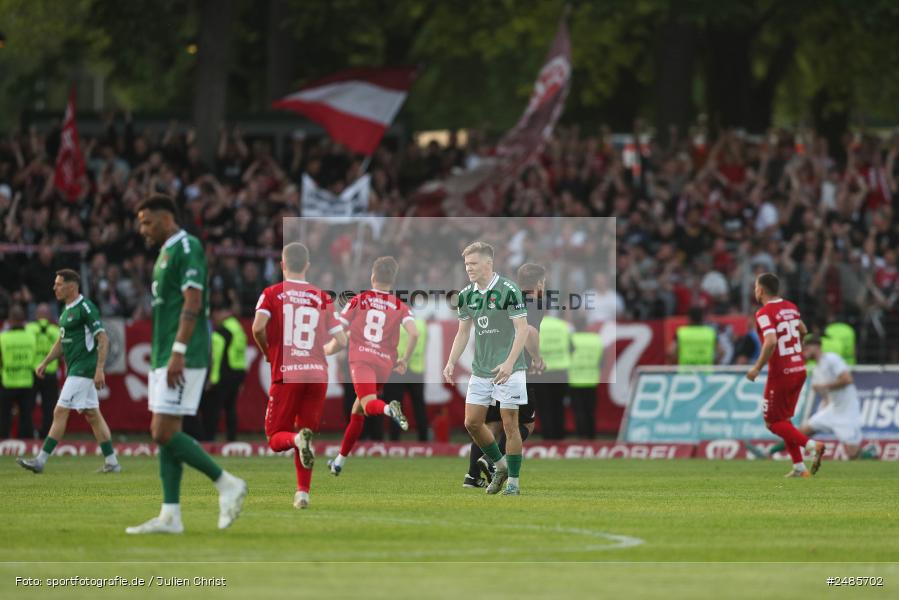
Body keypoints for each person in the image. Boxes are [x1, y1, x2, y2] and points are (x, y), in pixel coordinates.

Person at [127, 194, 247, 535]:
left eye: (147, 222)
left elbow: (193, 301)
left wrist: (178, 350)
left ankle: (227, 483)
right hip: (165, 352)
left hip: (184, 352)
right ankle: (170, 516)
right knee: (168, 432)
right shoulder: (166, 252)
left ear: (166, 218)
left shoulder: (187, 246)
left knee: (161, 431)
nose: (142, 229)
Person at [252, 242, 347, 509]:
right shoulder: (322, 297)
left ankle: (296, 441)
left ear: (282, 265)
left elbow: (258, 328)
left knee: (276, 438)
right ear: (307, 266)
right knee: (306, 433)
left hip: (288, 373)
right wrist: (323, 351)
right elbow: (341, 340)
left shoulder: (271, 293)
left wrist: (267, 353)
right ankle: (302, 493)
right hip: (317, 375)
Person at [444, 242, 529, 496]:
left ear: (488, 263)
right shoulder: (466, 295)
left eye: (473, 263)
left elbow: (522, 329)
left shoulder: (508, 289)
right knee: (472, 423)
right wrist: (450, 361)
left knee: (510, 425)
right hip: (481, 370)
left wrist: (509, 362)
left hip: (510, 368)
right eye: (466, 264)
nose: (468, 268)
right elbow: (463, 332)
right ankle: (500, 466)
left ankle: (513, 483)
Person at [17, 270, 120, 473]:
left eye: (59, 284)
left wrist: (99, 369)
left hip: (83, 369)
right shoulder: (66, 310)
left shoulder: (85, 308)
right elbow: (61, 343)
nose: (54, 288)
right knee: (93, 415)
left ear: (71, 286)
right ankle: (112, 462)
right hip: (75, 368)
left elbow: (103, 338)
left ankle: (40, 461)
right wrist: (45, 361)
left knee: (60, 411)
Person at [328, 256, 415, 476]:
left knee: (368, 405)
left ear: (372, 276)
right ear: (392, 280)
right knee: (357, 411)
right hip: (384, 364)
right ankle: (339, 462)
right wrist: (405, 360)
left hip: (362, 359)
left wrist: (326, 350)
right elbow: (414, 333)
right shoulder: (400, 305)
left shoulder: (359, 300)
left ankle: (389, 409)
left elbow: (340, 334)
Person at [465, 262, 545, 488]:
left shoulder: (504, 296)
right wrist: (537, 358)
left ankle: (472, 475)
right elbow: (530, 331)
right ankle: (491, 460)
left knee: (490, 423)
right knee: (525, 423)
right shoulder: (533, 302)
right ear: (540, 283)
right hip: (516, 368)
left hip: (491, 367)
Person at [746, 272, 825, 478]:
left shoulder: (763, 313)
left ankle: (812, 446)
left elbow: (771, 341)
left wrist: (756, 368)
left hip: (781, 373)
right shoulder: (791, 307)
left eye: (755, 287)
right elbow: (803, 330)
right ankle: (799, 467)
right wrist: (796, 348)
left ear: (760, 290)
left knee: (772, 422)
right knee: (785, 419)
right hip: (799, 369)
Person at [800, 334, 874, 459]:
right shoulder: (816, 369)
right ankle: (770, 452)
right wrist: (825, 402)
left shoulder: (831, 359)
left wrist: (823, 386)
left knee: (852, 454)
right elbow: (826, 395)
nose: (804, 352)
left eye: (806, 348)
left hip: (847, 410)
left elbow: (847, 379)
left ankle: (871, 453)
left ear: (816, 346)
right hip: (832, 409)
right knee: (801, 432)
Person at [201, 305, 247, 441]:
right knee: (230, 408)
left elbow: (217, 357)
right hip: (238, 373)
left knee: (213, 408)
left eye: (215, 315)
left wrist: (213, 379)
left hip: (224, 374)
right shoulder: (238, 329)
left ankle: (209, 439)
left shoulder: (221, 332)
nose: (214, 319)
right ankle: (231, 439)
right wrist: (242, 378)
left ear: (222, 313)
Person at [384, 314, 429, 442]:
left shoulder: (393, 323)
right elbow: (424, 345)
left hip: (397, 369)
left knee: (395, 407)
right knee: (419, 406)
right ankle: (424, 440)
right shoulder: (422, 324)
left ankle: (394, 440)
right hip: (417, 370)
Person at [0, 305, 37, 439]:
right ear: (23, 320)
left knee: (4, 417)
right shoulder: (31, 336)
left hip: (8, 382)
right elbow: (34, 357)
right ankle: (26, 444)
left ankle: (3, 443)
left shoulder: (3, 338)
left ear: (10, 320)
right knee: (26, 417)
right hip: (27, 381)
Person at [26, 304, 60, 438]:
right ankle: (47, 436)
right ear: (49, 316)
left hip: (33, 374)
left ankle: (28, 435)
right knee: (50, 408)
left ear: (36, 315)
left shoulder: (28, 329)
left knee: (27, 408)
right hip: (50, 374)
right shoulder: (56, 331)